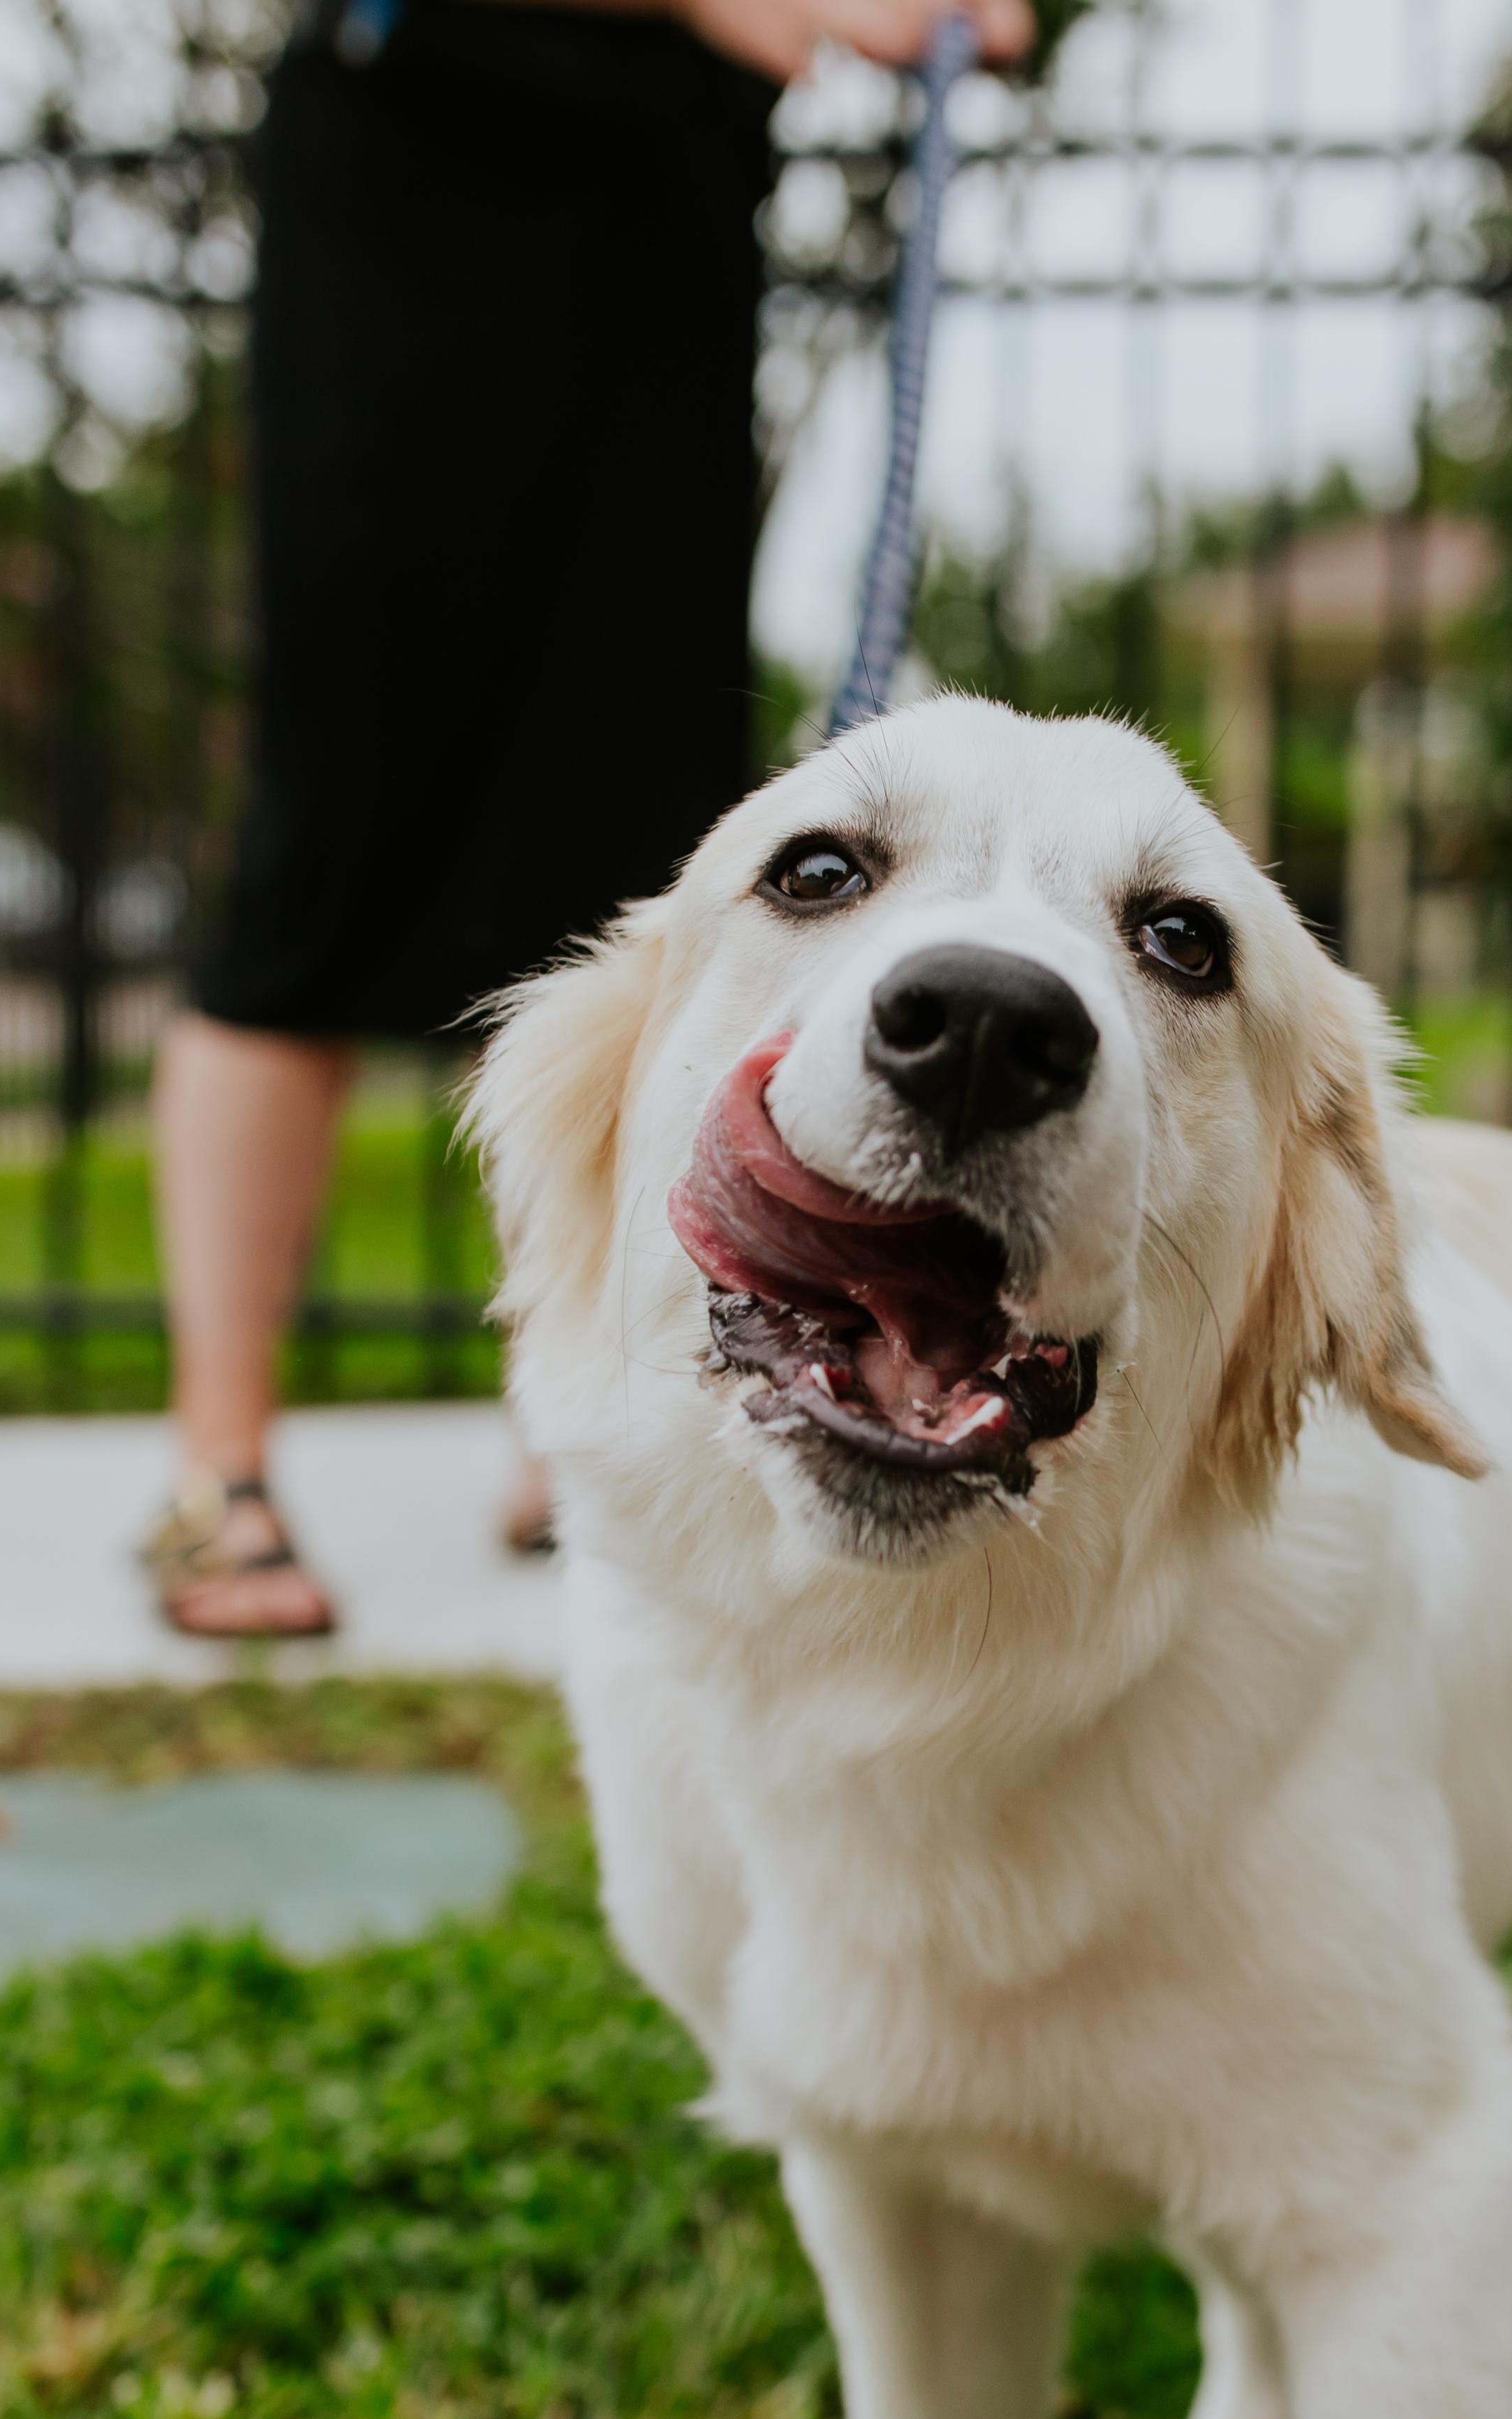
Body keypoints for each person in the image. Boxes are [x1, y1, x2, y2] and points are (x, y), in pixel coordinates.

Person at [145, 0, 1033, 1637]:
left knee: (621, 850)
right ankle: (220, 1474)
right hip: (420, 144)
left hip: (664, 199)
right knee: (326, 840)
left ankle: (577, 1421)